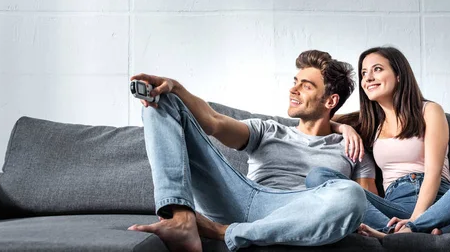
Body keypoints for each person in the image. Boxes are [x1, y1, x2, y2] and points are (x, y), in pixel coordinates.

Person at [127, 50, 375, 252]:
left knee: (351, 194)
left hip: (297, 211)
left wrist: (342, 128)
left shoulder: (352, 148)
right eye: (295, 82)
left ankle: (223, 232)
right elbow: (213, 121)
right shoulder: (268, 130)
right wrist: (177, 87)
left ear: (330, 101)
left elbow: (367, 207)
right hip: (242, 197)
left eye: (306, 86)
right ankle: (182, 219)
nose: (293, 90)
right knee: (162, 100)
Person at [306, 46, 450, 237]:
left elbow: (433, 172)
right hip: (393, 210)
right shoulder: (369, 123)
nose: (368, 78)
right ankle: (400, 232)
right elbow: (321, 119)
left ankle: (405, 234)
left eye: (377, 69)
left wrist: (416, 221)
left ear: (399, 75)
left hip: (443, 206)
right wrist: (345, 128)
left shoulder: (429, 110)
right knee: (318, 177)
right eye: (364, 73)